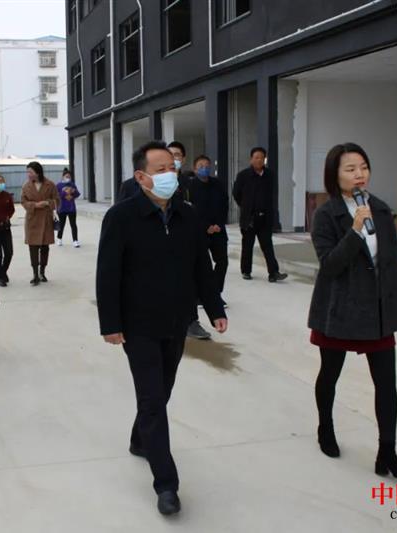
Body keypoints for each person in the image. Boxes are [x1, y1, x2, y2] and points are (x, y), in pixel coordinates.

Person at [96, 141, 227, 516]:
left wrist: (214, 308)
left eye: (172, 167)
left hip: (176, 321)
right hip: (137, 325)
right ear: (141, 177)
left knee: (162, 390)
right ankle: (166, 484)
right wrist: (110, 323)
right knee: (153, 400)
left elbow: (201, 267)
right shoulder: (121, 217)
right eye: (160, 169)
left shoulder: (188, 214)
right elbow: (107, 274)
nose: (170, 174)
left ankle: (140, 439)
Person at [308, 143, 397, 479]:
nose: (359, 174)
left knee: (387, 383)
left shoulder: (380, 209)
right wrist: (355, 230)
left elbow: (391, 262)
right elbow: (330, 265)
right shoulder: (326, 214)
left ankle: (388, 452)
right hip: (339, 308)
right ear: (335, 174)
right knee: (330, 373)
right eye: (350, 169)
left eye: (363, 167)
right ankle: (325, 427)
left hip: (377, 310)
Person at [233, 147, 288, 282]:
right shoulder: (243, 175)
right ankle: (246, 271)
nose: (259, 160)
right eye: (256, 157)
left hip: (265, 217)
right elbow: (236, 193)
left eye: (262, 158)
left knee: (267, 246)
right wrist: (245, 206)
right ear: (251, 159)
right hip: (249, 218)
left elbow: (272, 195)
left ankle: (273, 273)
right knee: (248, 246)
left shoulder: (269, 175)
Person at [187, 155, 229, 306]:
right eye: (201, 166)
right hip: (199, 232)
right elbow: (191, 210)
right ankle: (200, 295)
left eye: (207, 165)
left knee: (222, 262)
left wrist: (219, 224)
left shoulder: (218, 184)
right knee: (202, 265)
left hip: (218, 230)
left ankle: (215, 294)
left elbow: (225, 205)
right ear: (195, 169)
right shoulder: (190, 187)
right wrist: (206, 227)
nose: (204, 168)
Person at [117, 140, 193, 203]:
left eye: (176, 155)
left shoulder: (189, 183)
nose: (172, 158)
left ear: (183, 159)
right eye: (161, 169)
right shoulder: (129, 185)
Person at [21, 161, 59, 286]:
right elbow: (23, 202)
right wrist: (35, 205)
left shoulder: (50, 184)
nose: (28, 174)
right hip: (32, 220)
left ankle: (42, 272)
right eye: (27, 172)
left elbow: (57, 200)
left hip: (46, 219)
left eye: (30, 172)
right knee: (32, 247)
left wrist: (48, 203)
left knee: (44, 248)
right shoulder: (26, 186)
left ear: (37, 172)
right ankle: (35, 274)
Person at [56, 169, 81, 247]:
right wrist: (64, 192)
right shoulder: (58, 185)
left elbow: (77, 194)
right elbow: (56, 196)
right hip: (62, 208)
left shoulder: (72, 184)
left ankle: (75, 240)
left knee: (73, 224)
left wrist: (73, 191)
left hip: (71, 208)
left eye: (69, 177)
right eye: (66, 176)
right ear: (63, 177)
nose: (68, 178)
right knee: (61, 224)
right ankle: (59, 239)